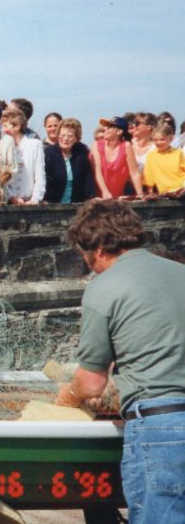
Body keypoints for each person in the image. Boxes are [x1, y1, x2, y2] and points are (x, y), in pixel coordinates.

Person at [55, 200, 185, 524]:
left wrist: (67, 397)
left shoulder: (104, 285)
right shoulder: (180, 272)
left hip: (160, 425)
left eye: (85, 256)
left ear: (96, 247)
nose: (87, 264)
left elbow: (91, 381)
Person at [43, 118, 95, 203]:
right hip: (52, 204)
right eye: (63, 135)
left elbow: (88, 179)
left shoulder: (82, 152)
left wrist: (90, 197)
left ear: (76, 138)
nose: (65, 139)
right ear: (58, 135)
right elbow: (45, 180)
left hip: (76, 204)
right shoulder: (49, 153)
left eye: (70, 136)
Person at [1, 108, 46, 204]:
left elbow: (40, 175)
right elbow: (2, 177)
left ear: (17, 126)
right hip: (8, 201)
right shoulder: (1, 146)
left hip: (29, 200)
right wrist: (11, 197)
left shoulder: (35, 145)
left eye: (5, 126)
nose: (3, 130)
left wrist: (35, 199)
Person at [92, 116, 141, 198]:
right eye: (106, 126)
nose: (105, 129)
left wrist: (140, 194)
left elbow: (134, 173)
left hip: (119, 198)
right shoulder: (97, 145)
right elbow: (97, 171)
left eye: (110, 127)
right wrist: (105, 192)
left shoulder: (126, 146)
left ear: (119, 131)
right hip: (98, 197)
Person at [142, 123, 185, 194]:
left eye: (162, 139)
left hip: (181, 188)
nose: (158, 142)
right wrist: (150, 192)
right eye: (155, 140)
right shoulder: (152, 155)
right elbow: (149, 178)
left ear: (171, 138)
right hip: (165, 191)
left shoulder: (178, 153)